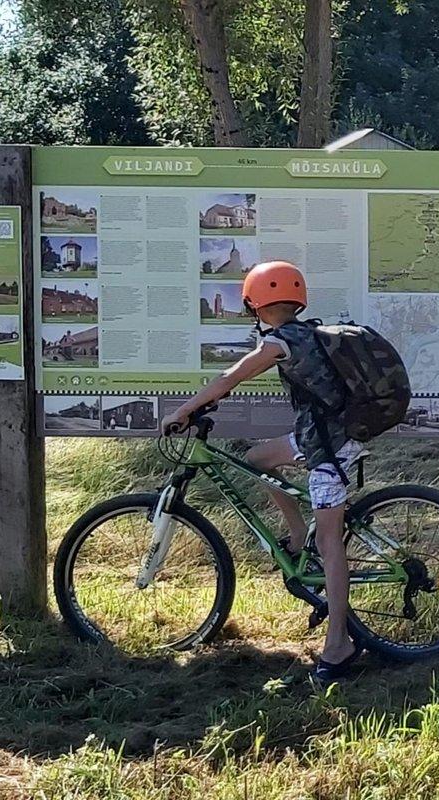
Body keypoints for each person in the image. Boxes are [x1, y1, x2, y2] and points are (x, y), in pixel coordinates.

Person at [161, 261, 364, 682]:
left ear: (254, 303)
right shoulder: (305, 332)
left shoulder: (280, 343)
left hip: (331, 444)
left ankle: (339, 644)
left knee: (330, 543)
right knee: (257, 461)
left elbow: (229, 377)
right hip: (319, 436)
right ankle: (294, 535)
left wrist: (184, 411)